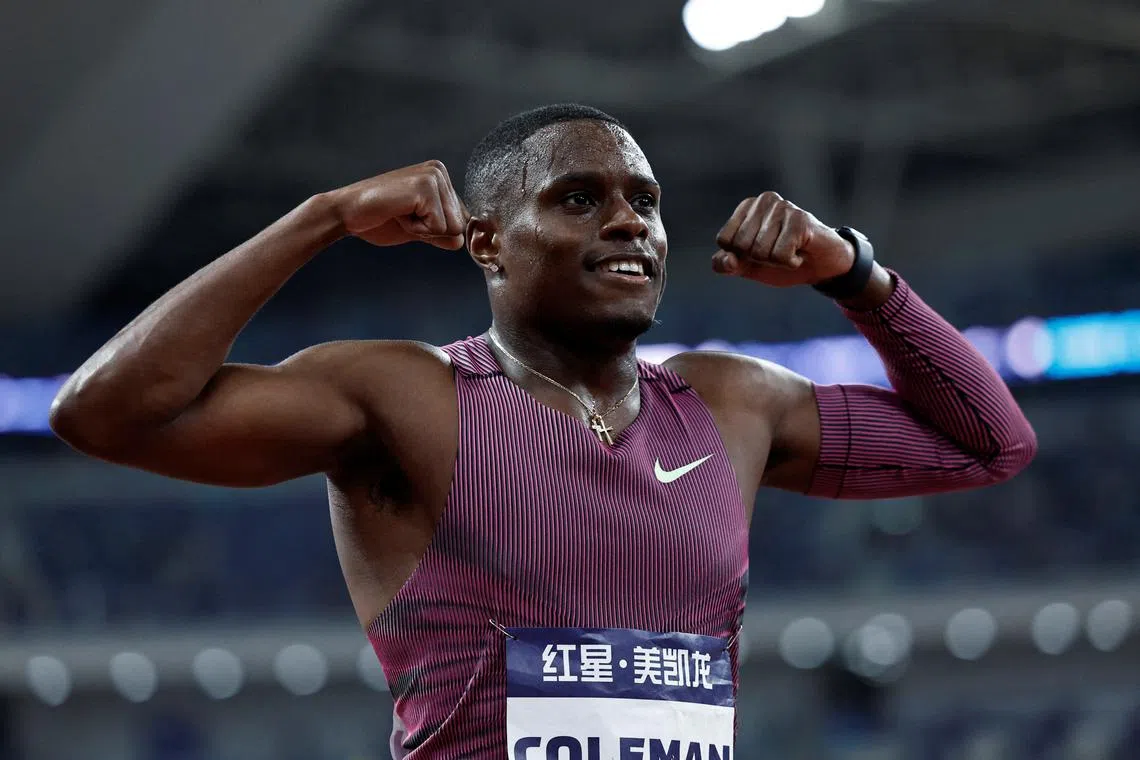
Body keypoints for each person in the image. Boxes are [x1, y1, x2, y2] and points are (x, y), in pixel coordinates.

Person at [51, 104, 1037, 758]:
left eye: (645, 202)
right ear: (486, 241)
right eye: (579, 198)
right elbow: (102, 412)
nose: (630, 223)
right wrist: (324, 217)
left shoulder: (731, 403)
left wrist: (855, 274)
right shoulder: (405, 397)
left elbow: (991, 443)